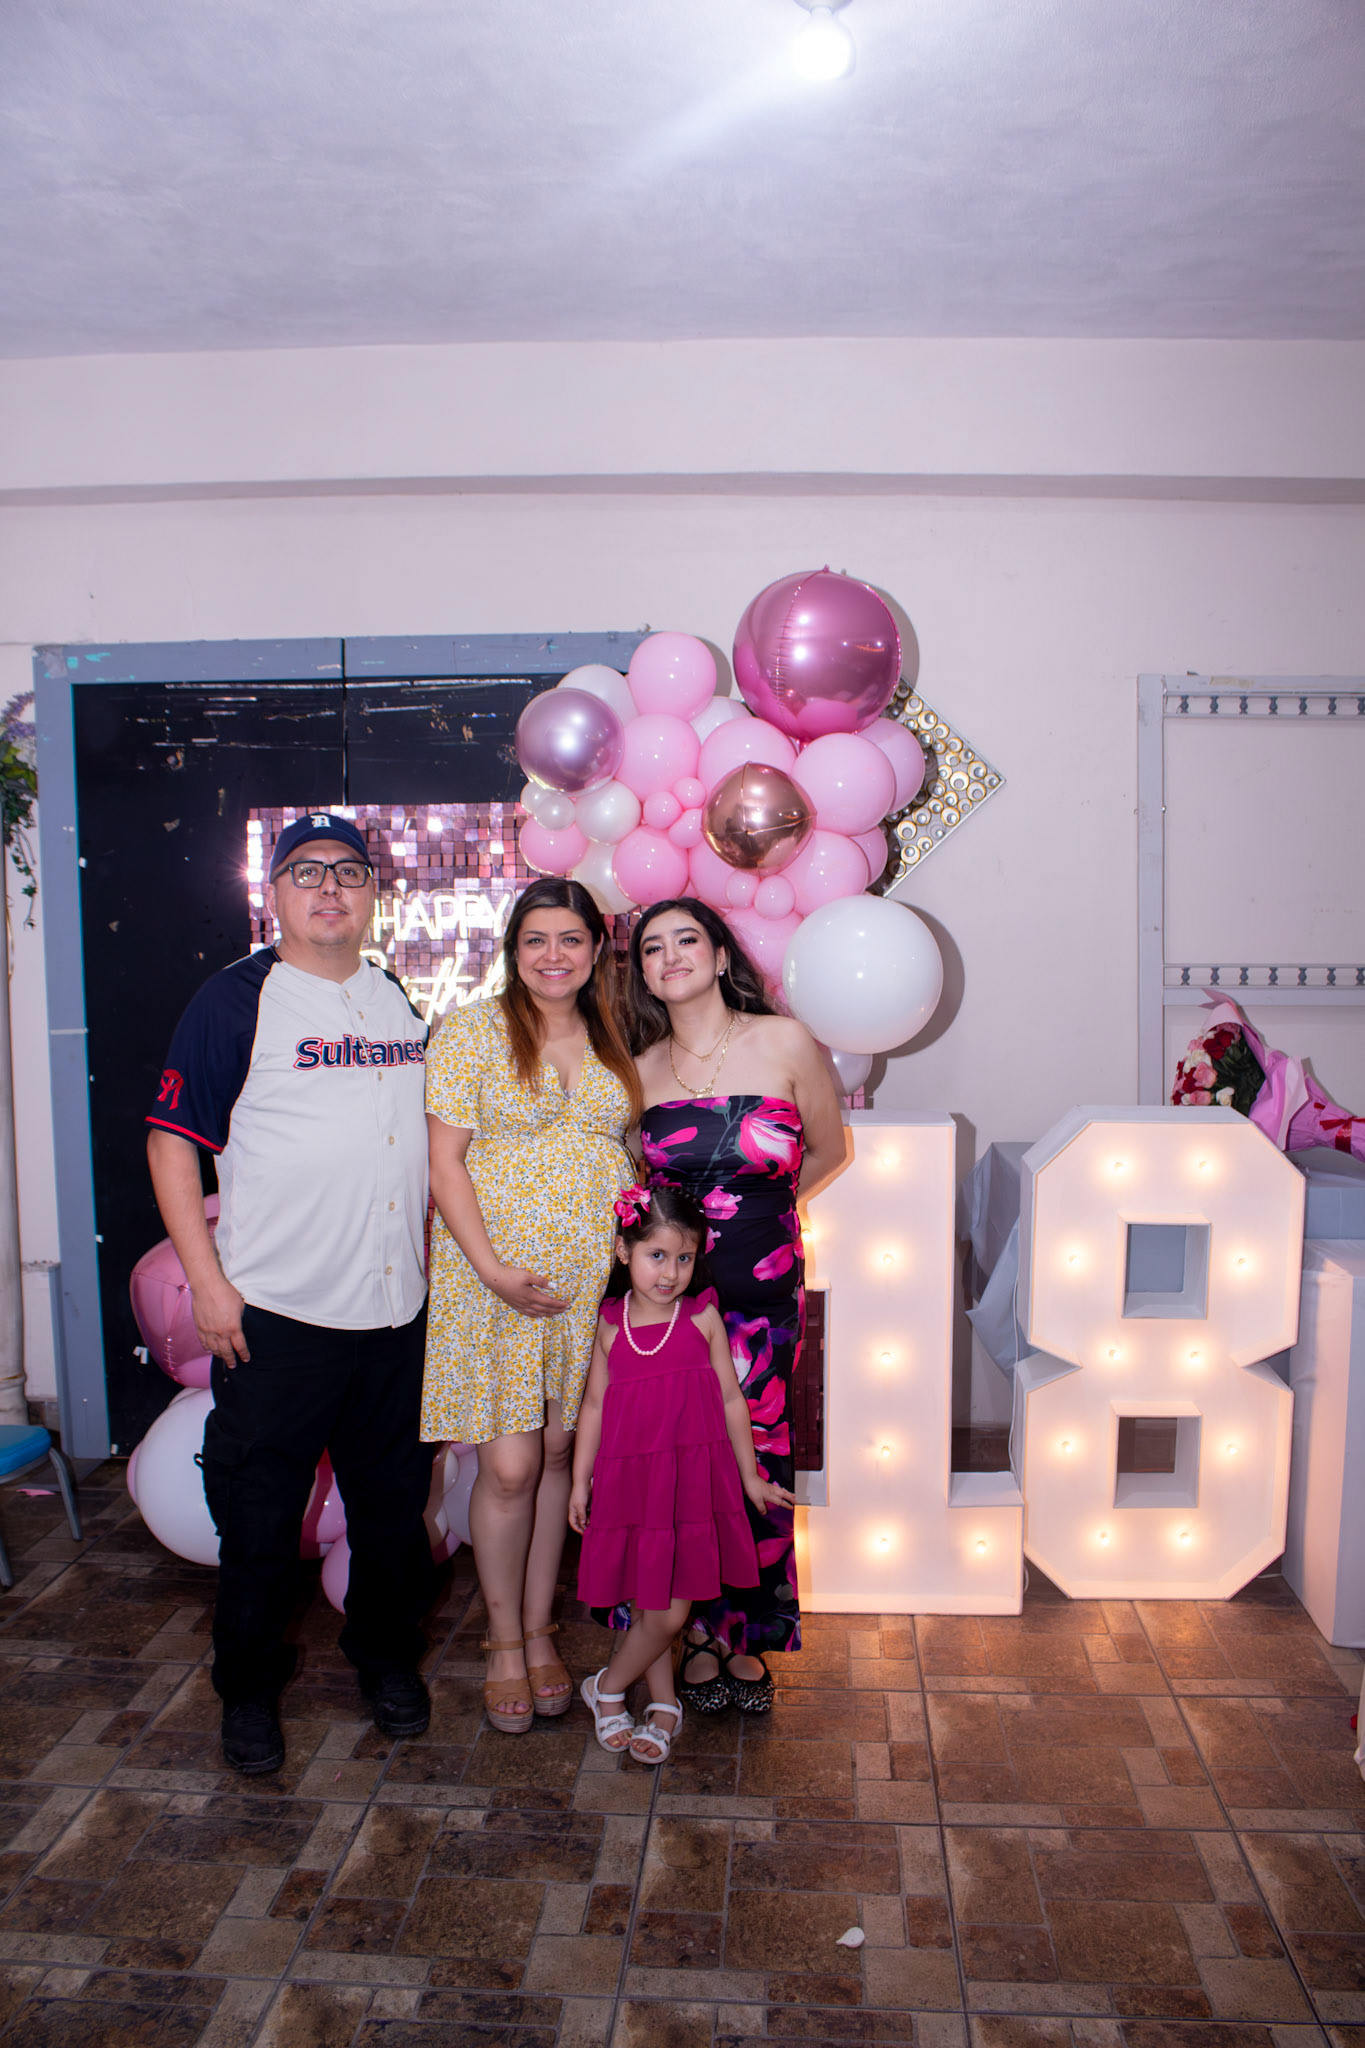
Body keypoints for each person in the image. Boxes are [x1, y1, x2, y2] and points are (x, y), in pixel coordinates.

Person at [146, 813, 434, 1776]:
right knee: (261, 1522)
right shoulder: (236, 999)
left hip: (392, 1313)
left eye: (348, 872)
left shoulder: (392, 997)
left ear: (374, 893)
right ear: (273, 893)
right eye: (306, 872)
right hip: (278, 1317)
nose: (329, 889)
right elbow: (171, 1143)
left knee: (390, 1515)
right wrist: (207, 1284)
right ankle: (247, 1689)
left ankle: (384, 1660)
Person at [421, 876, 638, 1733]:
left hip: (584, 1285)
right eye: (535, 939)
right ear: (513, 950)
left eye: (570, 939)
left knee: (554, 1455)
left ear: (595, 949)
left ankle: (542, 1630)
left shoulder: (618, 1035)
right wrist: (491, 1269)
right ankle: (503, 1644)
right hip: (493, 1279)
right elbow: (444, 1164)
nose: (553, 955)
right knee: (509, 1466)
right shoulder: (472, 1031)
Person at [625, 897, 846, 1713]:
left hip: (763, 1297)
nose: (671, 956)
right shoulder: (636, 1069)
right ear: (643, 973)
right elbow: (635, 1191)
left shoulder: (784, 1041)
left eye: (687, 939)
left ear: (721, 956)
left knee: (757, 1450)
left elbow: (828, 1149)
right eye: (653, 947)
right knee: (683, 1460)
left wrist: (762, 1217)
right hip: (671, 1303)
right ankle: (688, 1631)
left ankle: (744, 1632)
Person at [570, 1181, 794, 1764]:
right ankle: (659, 1701)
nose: (670, 1273)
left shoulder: (702, 1318)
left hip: (692, 1482)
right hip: (632, 1483)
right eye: (657, 1255)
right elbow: (593, 1406)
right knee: (652, 1604)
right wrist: (579, 1480)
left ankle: (608, 1687)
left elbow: (731, 1401)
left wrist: (750, 1476)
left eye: (685, 1258)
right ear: (624, 1250)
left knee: (669, 1607)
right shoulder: (610, 1323)